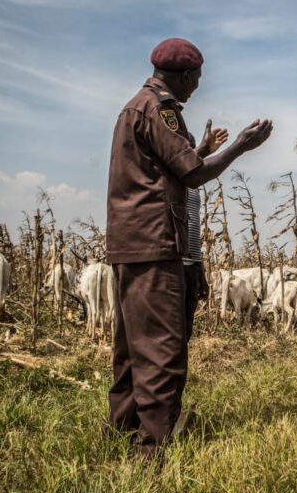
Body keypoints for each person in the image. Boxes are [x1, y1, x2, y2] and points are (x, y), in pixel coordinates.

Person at [105, 37, 273, 457]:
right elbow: (193, 176)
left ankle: (120, 435)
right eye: (196, 78)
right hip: (156, 245)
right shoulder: (160, 109)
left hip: (131, 246)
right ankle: (152, 455)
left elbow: (167, 170)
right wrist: (241, 147)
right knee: (162, 350)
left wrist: (199, 151)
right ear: (182, 75)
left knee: (130, 350)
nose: (196, 86)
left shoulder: (135, 107)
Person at [183, 124, 228, 342]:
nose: (193, 155)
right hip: (173, 264)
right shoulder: (172, 182)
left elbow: (193, 226)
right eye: (187, 149)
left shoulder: (194, 186)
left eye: (194, 149)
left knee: (185, 331)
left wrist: (198, 263)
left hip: (190, 263)